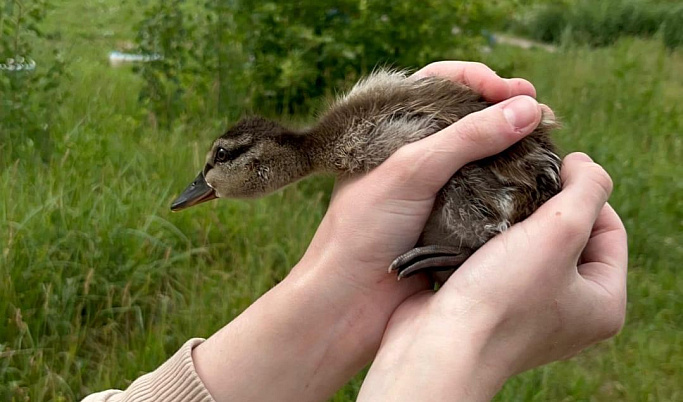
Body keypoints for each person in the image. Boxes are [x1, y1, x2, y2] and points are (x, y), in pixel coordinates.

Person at [83, 61, 627, 402]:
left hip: (503, 201)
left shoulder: (349, 137)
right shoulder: (349, 137)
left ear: (261, 160)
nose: (203, 180)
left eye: (220, 161)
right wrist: (466, 335)